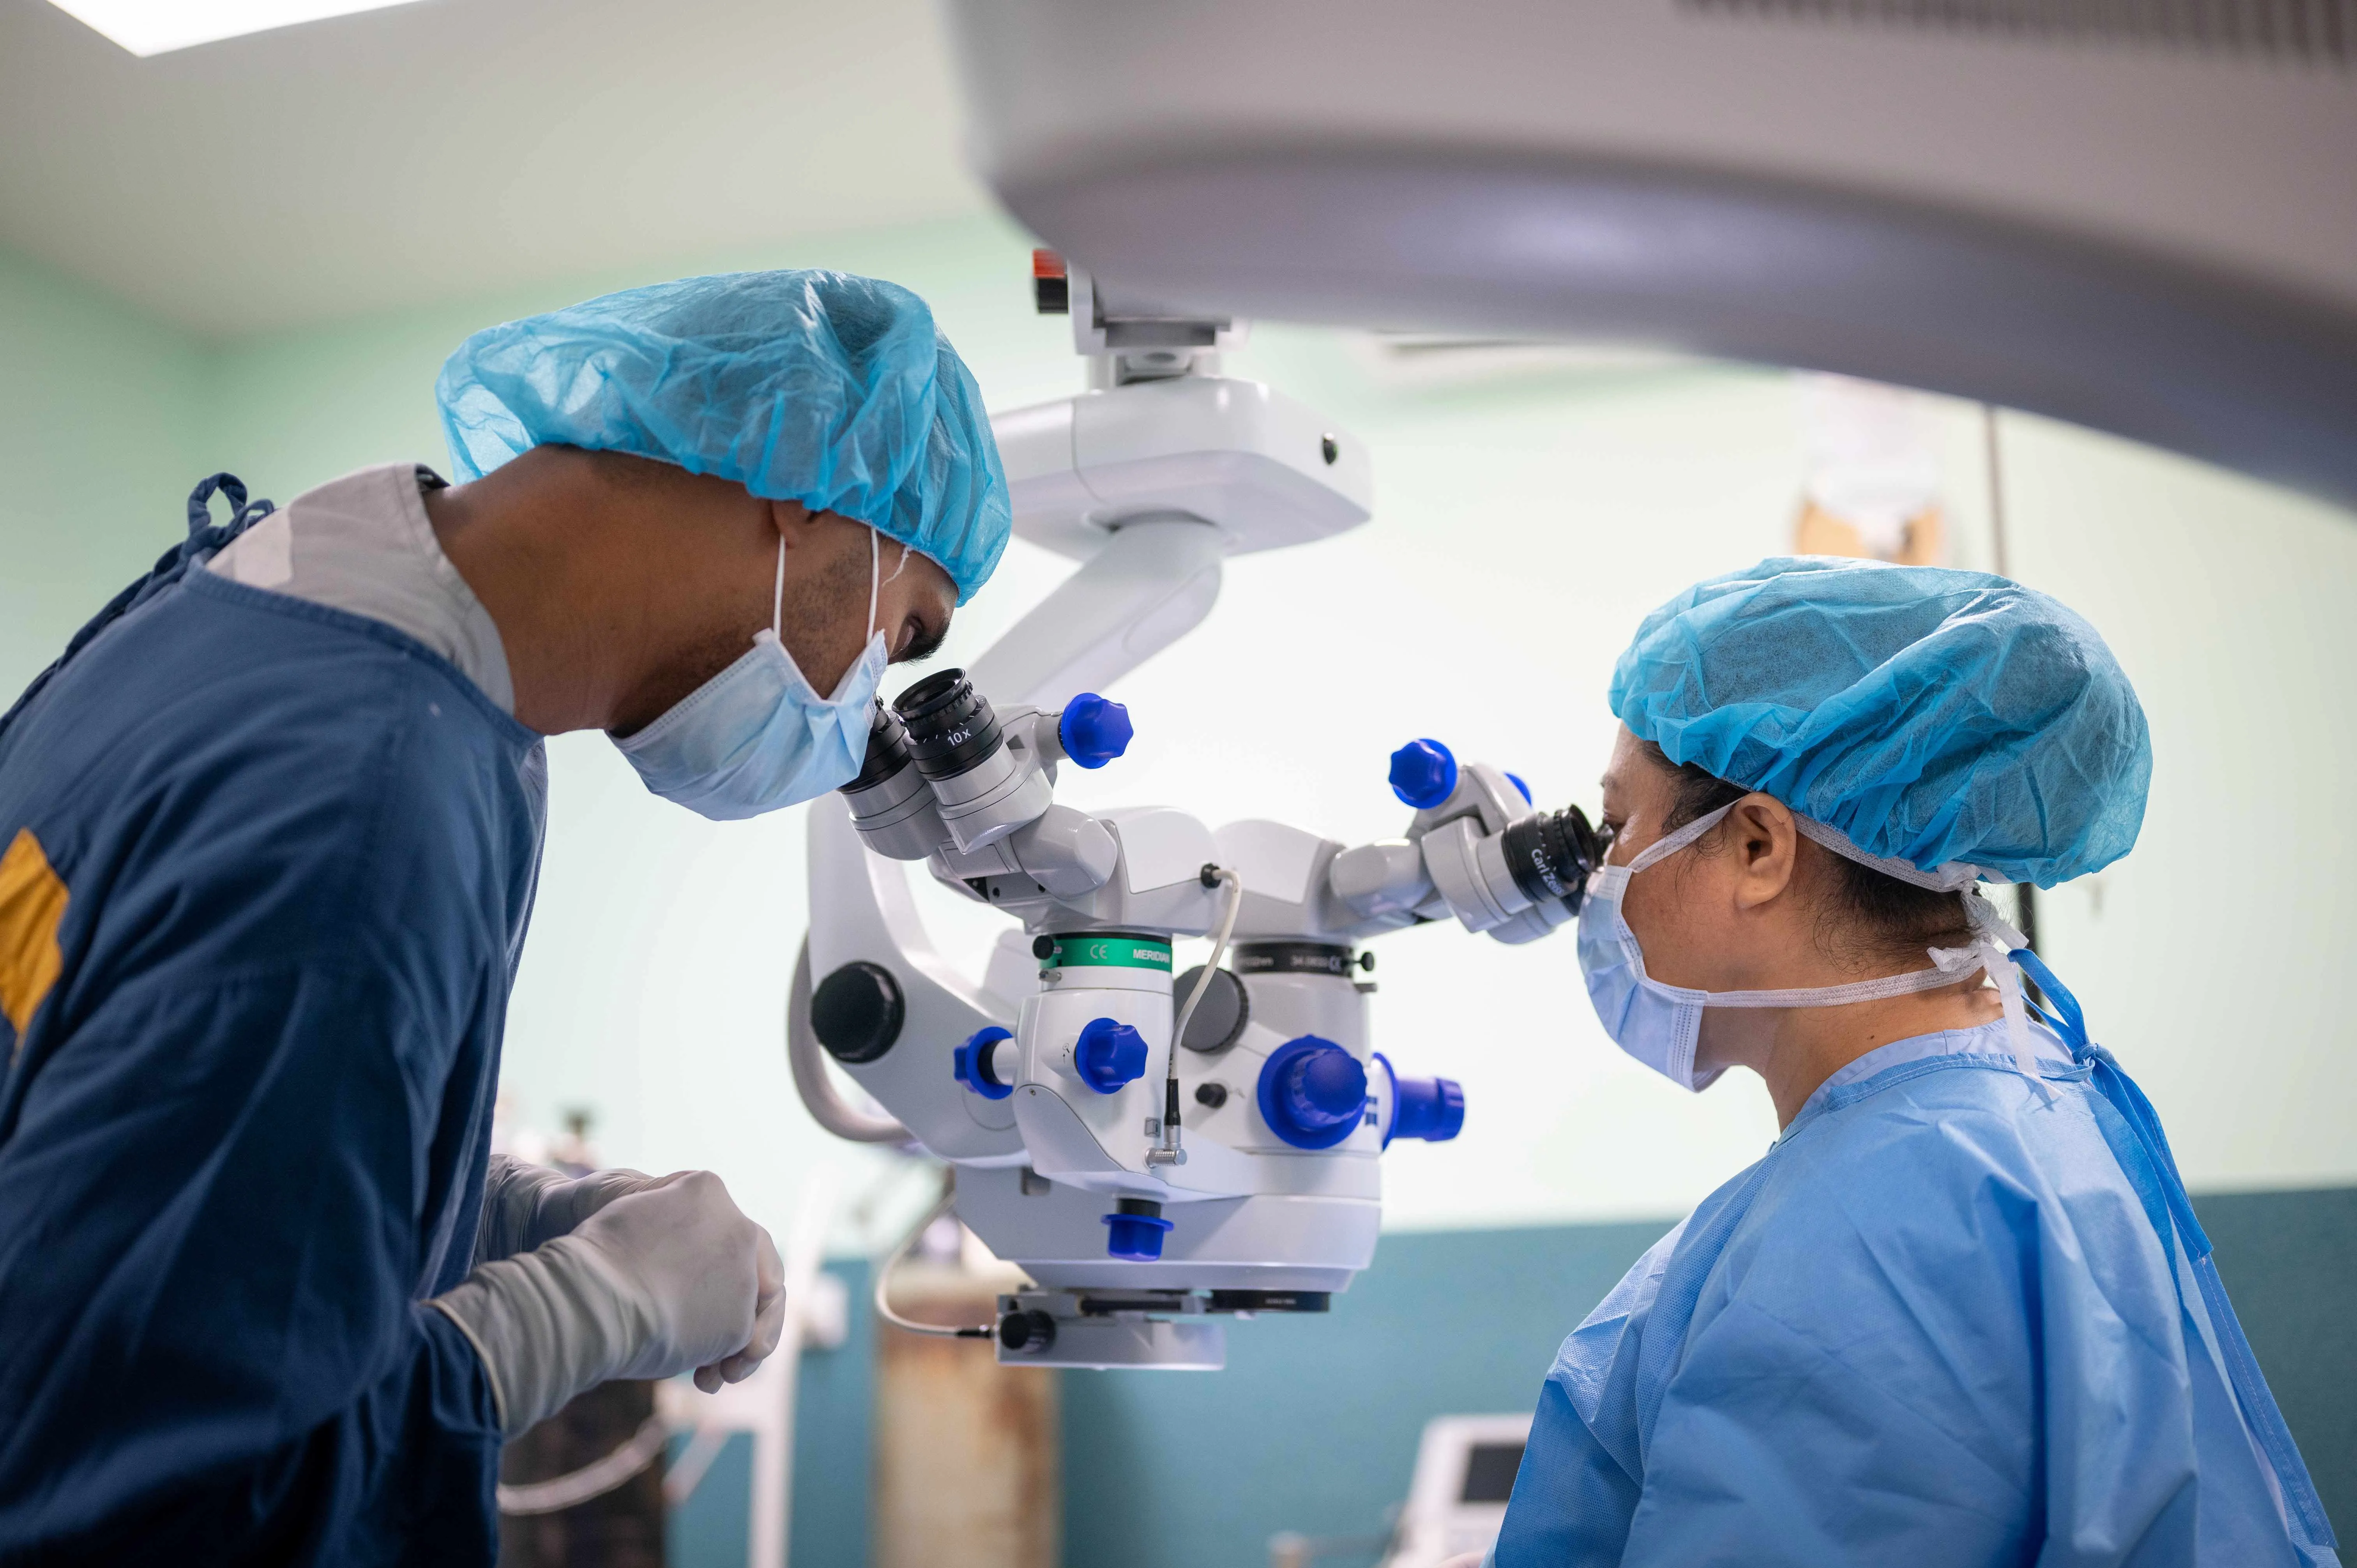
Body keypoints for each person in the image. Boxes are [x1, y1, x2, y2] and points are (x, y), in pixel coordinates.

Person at [0, 269, 1009, 1563]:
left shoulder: (241, 619)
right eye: (902, 633)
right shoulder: (365, 787)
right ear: (806, 502)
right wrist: (574, 1315)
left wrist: (477, 1205)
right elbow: (184, 1510)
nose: (871, 702)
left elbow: (131, 1115)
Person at [1491, 558, 2338, 1567]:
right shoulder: (2014, 1117)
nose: (1604, 876)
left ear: (1759, 846)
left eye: (1621, 825)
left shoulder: (1878, 1223)